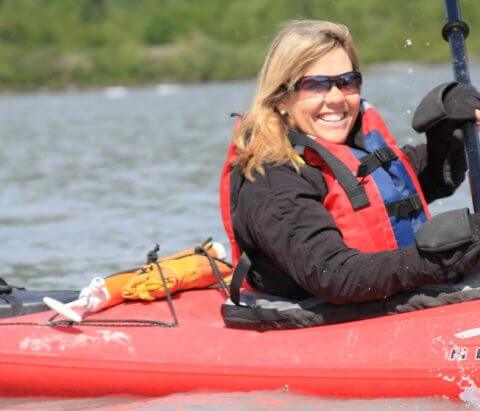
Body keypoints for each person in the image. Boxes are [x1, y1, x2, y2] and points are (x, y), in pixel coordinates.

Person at [220, 20, 480, 329]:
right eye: (315, 84)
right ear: (282, 97)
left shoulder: (351, 145)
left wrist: (449, 137)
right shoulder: (269, 179)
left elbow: (411, 185)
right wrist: (442, 258)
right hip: (319, 317)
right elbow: (333, 275)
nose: (336, 98)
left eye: (347, 81)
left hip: (381, 301)